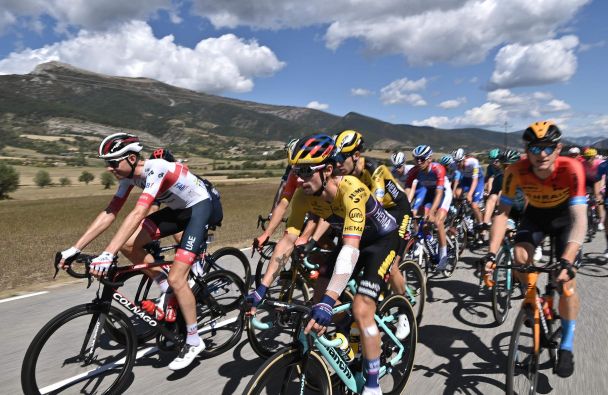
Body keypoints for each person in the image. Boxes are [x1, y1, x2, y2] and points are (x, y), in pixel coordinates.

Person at [246, 134, 401, 395]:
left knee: (362, 308)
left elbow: (351, 249)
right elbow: (286, 241)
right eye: (296, 171)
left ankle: (373, 384)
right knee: (319, 292)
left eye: (306, 172)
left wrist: (330, 301)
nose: (300, 178)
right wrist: (261, 287)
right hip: (355, 240)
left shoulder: (350, 188)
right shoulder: (303, 195)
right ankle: (349, 338)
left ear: (328, 169)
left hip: (381, 240)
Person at [57, 133, 223, 371]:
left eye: (113, 162)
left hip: (199, 208)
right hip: (177, 210)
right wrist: (74, 248)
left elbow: (137, 213)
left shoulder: (156, 168)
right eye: (107, 163)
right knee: (129, 245)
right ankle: (165, 285)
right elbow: (109, 213)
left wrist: (107, 254)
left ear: (132, 158)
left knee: (178, 277)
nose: (110, 168)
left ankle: (194, 341)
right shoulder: (127, 178)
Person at [483, 121, 586, 378]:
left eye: (548, 147)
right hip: (536, 217)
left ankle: (567, 345)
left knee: (566, 284)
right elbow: (501, 213)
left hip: (566, 220)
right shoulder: (515, 171)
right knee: (519, 257)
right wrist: (491, 254)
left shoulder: (571, 168)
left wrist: (567, 260)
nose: (542, 153)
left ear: (558, 148)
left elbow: (580, 219)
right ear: (527, 150)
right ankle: (531, 299)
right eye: (536, 148)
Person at [330, 130, 411, 326]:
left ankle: (404, 310)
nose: (338, 163)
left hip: (397, 211)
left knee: (391, 266)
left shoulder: (374, 170)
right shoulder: (345, 175)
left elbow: (378, 205)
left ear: (356, 156)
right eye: (335, 158)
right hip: (376, 215)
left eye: (341, 158)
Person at [406, 145, 453, 270]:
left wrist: (432, 211)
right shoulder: (414, 171)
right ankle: (432, 243)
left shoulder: (438, 169)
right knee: (423, 223)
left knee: (437, 222)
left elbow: (439, 194)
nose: (419, 162)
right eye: (416, 159)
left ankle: (444, 257)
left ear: (429, 159)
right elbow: (408, 189)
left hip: (443, 193)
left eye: (422, 159)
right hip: (429, 194)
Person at [452, 148, 485, 243]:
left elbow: (475, 181)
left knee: (474, 205)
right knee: (457, 195)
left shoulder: (473, 162)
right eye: (456, 162)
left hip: (478, 180)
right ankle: (462, 216)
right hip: (466, 179)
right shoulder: (454, 165)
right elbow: (455, 179)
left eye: (459, 162)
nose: (458, 165)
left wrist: (470, 194)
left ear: (464, 159)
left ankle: (480, 224)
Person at [582, 147, 605, 231]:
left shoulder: (599, 164)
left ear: (594, 157)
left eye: (590, 158)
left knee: (597, 196)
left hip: (598, 179)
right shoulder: (582, 163)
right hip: (587, 180)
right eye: (586, 158)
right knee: (583, 196)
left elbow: (603, 177)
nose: (587, 160)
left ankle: (601, 220)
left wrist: (602, 186)